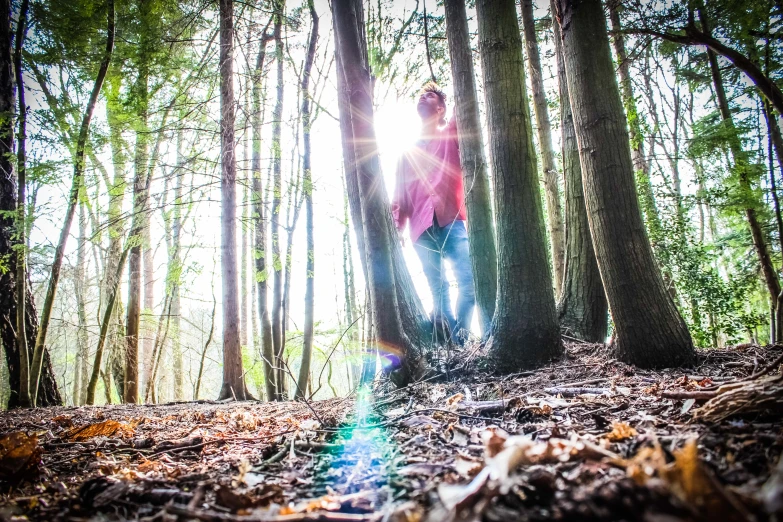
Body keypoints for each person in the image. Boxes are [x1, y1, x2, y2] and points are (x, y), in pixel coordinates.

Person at [392, 83, 476, 344]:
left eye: (429, 95)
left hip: (452, 222)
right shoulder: (406, 154)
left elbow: (464, 107)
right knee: (439, 291)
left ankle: (461, 341)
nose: (422, 97)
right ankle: (449, 349)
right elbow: (399, 197)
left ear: (440, 109)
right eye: (420, 95)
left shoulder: (450, 135)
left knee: (469, 285)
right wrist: (397, 229)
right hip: (421, 229)